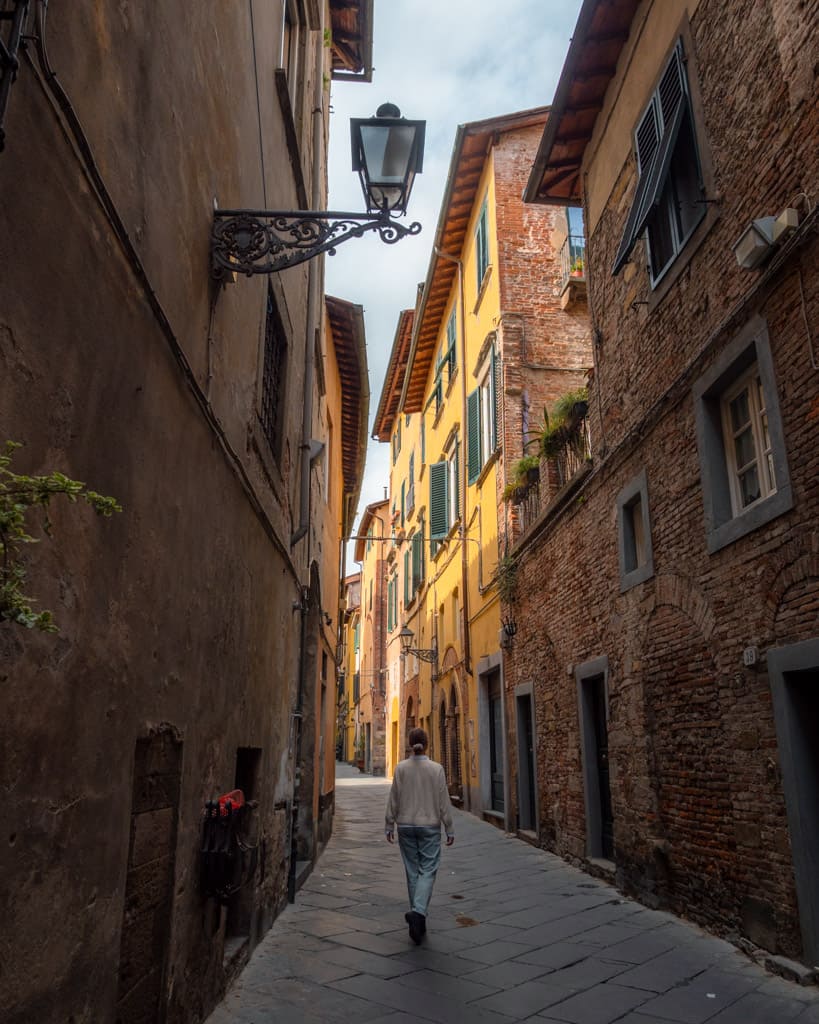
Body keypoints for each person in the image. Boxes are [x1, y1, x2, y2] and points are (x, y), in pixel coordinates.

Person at [385, 727, 454, 944]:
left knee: (413, 871)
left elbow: (393, 798)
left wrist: (389, 823)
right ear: (427, 744)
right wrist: (449, 827)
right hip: (429, 827)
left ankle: (418, 919)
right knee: (428, 871)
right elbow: (444, 801)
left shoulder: (401, 768)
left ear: (409, 743)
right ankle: (419, 912)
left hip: (405, 826)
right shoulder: (436, 769)